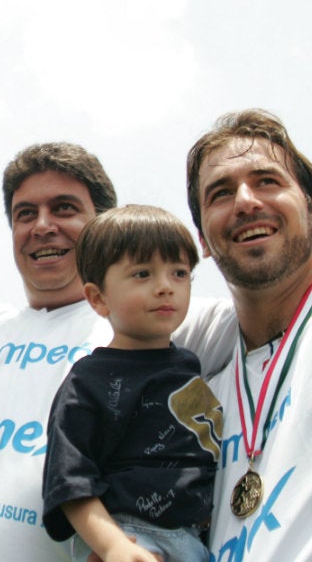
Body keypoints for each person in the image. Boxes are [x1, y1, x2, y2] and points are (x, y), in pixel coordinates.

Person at [0, 80, 236, 560]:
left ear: (104, 226)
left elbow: (280, 303)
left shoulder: (160, 322)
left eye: (64, 208)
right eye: (24, 213)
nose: (42, 226)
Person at [187, 109, 312, 560]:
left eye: (267, 181)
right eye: (220, 194)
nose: (245, 201)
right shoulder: (204, 392)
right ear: (204, 242)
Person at [42, 205, 223, 562]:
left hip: (197, 541)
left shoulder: (190, 363)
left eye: (179, 273)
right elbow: (70, 480)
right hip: (133, 537)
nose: (165, 287)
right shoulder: (89, 379)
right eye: (142, 274)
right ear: (98, 298)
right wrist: (112, 545)